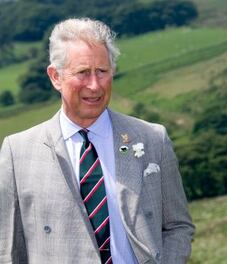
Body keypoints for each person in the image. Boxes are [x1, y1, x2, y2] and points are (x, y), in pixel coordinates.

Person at [0, 18, 195, 264]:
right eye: (82, 72)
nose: (94, 85)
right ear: (55, 76)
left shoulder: (153, 139)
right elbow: (8, 250)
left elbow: (178, 226)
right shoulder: (17, 153)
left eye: (102, 71)